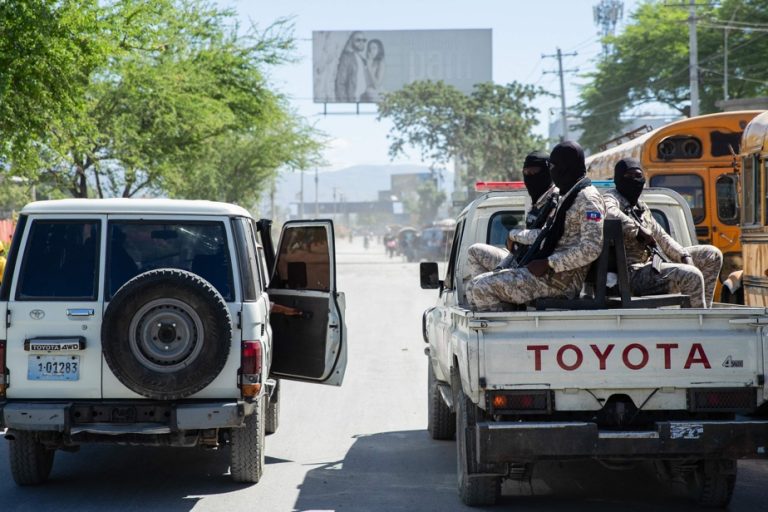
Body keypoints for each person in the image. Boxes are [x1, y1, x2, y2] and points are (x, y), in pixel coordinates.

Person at [465, 141, 605, 311]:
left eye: (553, 166)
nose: (552, 172)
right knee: (474, 285)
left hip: (560, 282)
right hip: (548, 274)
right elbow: (549, 234)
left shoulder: (587, 199)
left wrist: (549, 263)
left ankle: (503, 335)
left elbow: (592, 247)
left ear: (565, 167)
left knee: (481, 287)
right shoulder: (569, 195)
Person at [604, 157, 723, 308]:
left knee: (712, 255)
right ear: (618, 179)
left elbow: (662, 237)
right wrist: (638, 230)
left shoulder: (641, 207)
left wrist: (683, 256)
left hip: (653, 266)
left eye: (638, 176)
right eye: (629, 176)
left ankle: (704, 311)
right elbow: (609, 212)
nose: (634, 180)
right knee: (691, 276)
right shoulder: (611, 198)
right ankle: (696, 325)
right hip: (632, 275)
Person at [464, 150, 558, 275]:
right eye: (526, 172)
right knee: (475, 253)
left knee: (480, 286)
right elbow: (519, 249)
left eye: (534, 171)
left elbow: (549, 236)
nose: (530, 176)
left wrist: (513, 234)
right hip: (522, 260)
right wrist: (500, 267)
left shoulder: (556, 199)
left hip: (540, 268)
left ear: (548, 171)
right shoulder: (536, 202)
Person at [334, 31, 368, 102]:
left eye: (364, 40)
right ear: (351, 41)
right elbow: (340, 83)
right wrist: (345, 103)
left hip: (363, 99)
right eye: (358, 40)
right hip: (352, 99)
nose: (361, 42)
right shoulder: (347, 57)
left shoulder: (361, 58)